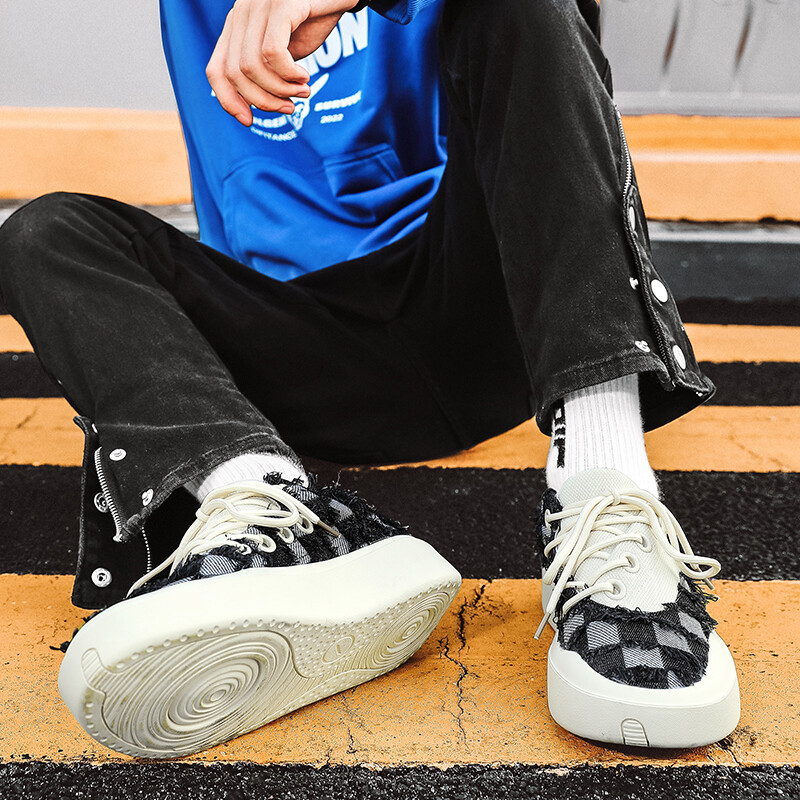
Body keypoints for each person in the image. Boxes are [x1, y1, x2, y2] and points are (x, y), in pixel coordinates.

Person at [0, 0, 740, 759]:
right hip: (291, 362)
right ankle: (276, 515)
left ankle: (604, 495)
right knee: (42, 234)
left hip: (480, 303)